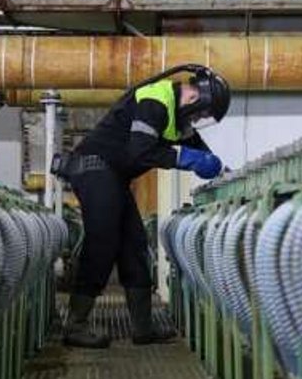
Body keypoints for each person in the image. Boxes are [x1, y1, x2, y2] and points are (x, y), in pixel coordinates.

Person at [55, 65, 230, 348]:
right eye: (201, 114)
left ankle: (143, 328)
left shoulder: (175, 114)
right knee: (103, 242)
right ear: (195, 99)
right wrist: (188, 159)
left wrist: (221, 170)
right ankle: (75, 325)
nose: (198, 120)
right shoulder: (155, 102)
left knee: (134, 247)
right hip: (94, 169)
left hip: (112, 177)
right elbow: (140, 151)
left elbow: (196, 147)